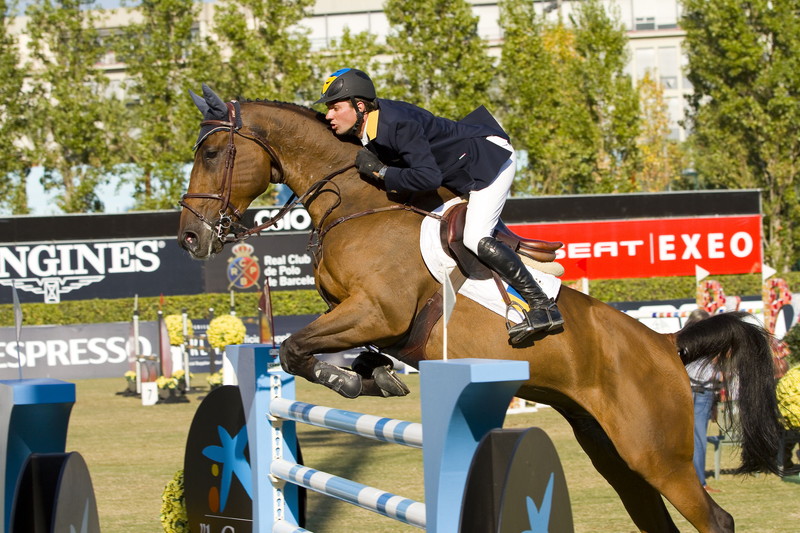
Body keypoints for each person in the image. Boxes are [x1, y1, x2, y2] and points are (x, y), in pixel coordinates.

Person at [314, 67, 563, 345]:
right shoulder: (367, 124)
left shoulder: (397, 124)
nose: (329, 115)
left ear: (359, 105)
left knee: (475, 236)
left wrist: (382, 173)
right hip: (456, 166)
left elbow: (428, 177)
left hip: (487, 160)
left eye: (335, 108)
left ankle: (543, 306)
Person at [683, 308, 722, 493]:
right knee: (697, 439)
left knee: (695, 439)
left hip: (700, 392)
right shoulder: (694, 342)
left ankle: (697, 481)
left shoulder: (686, 341)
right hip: (695, 392)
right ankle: (700, 483)